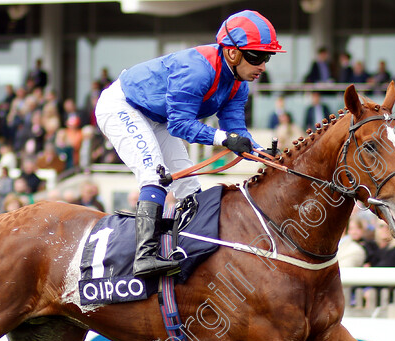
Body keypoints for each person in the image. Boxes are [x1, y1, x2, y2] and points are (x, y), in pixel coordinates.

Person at [95, 10, 284, 278]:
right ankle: (144, 257)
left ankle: (189, 247)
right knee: (154, 175)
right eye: (257, 56)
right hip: (123, 106)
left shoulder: (238, 85)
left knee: (190, 187)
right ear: (232, 53)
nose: (263, 65)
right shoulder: (197, 69)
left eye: (267, 57)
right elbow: (180, 125)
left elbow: (236, 132)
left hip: (157, 118)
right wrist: (225, 139)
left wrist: (264, 153)